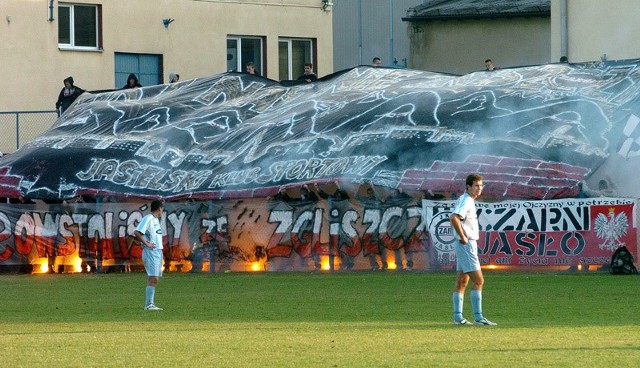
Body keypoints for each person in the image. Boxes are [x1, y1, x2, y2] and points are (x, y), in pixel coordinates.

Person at [449, 173, 496, 326]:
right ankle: (479, 318)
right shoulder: (467, 201)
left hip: (466, 243)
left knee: (462, 281)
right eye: (476, 185)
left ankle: (458, 318)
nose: (479, 189)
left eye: (481, 186)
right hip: (466, 244)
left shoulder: (467, 200)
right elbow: (454, 217)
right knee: (479, 280)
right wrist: (463, 237)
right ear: (468, 186)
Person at [134, 200, 165, 311]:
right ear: (160, 208)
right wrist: (146, 243)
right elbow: (137, 232)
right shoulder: (148, 219)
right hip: (151, 252)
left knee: (154, 278)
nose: (162, 211)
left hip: (157, 251)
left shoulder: (156, 220)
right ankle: (149, 304)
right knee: (153, 278)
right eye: (162, 209)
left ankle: (150, 304)